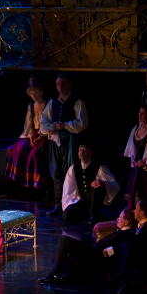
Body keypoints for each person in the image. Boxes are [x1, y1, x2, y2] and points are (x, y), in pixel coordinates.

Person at [38, 208, 136, 284]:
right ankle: (61, 271)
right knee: (63, 249)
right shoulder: (123, 232)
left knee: (65, 240)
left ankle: (54, 273)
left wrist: (107, 249)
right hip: (93, 252)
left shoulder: (127, 234)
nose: (117, 219)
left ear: (127, 222)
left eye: (120, 217)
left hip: (94, 259)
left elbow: (120, 248)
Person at [40, 73, 88, 215]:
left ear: (69, 85)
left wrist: (65, 125)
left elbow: (82, 123)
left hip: (70, 142)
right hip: (55, 141)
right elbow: (44, 121)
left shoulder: (77, 102)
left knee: (71, 171)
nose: (59, 87)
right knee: (56, 172)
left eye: (63, 83)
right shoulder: (52, 102)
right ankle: (58, 204)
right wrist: (51, 127)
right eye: (57, 84)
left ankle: (72, 204)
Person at [5, 78, 49, 189]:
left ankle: (35, 184)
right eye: (31, 91)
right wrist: (29, 138)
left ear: (41, 91)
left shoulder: (48, 105)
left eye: (35, 91)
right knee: (19, 148)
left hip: (45, 136)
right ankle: (19, 183)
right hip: (33, 134)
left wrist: (41, 136)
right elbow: (28, 125)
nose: (33, 94)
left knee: (34, 155)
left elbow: (49, 125)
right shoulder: (31, 106)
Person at [62, 143, 120, 225]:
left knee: (96, 188)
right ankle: (87, 215)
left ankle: (94, 214)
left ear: (91, 152)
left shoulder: (99, 167)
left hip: (96, 204)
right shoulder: (73, 169)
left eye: (84, 150)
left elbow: (114, 186)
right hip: (83, 202)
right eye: (80, 150)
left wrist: (102, 183)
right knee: (67, 215)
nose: (81, 153)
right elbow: (69, 190)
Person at [118, 200, 147, 294]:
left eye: (136, 209)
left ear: (142, 212)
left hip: (141, 270)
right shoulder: (141, 225)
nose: (133, 211)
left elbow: (140, 251)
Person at [123, 104, 147, 211]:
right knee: (133, 193)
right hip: (136, 169)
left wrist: (144, 161)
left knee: (146, 195)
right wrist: (133, 159)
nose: (139, 115)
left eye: (143, 114)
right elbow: (131, 149)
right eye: (139, 113)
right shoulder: (136, 129)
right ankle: (132, 217)